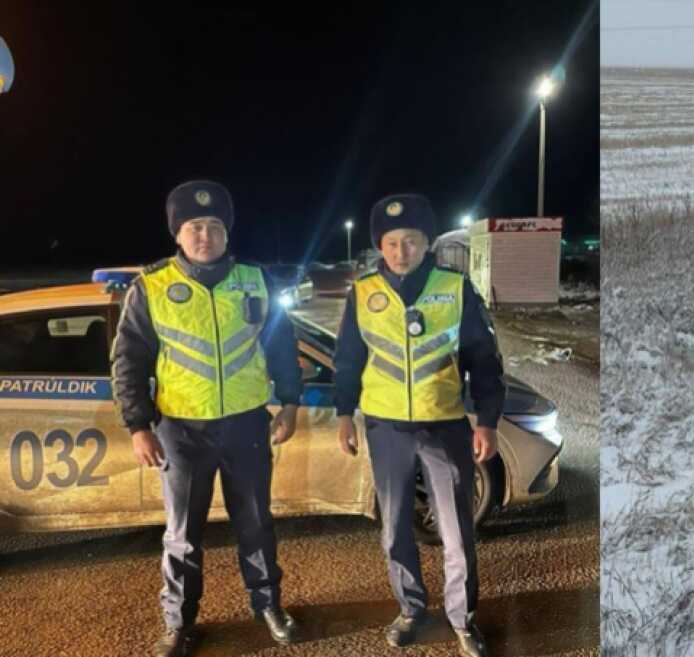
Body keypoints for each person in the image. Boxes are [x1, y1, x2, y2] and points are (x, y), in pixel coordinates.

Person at [110, 179, 303, 657]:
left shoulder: (255, 279)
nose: (205, 236)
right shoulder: (150, 287)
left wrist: (291, 402)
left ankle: (268, 606)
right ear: (178, 234)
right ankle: (179, 623)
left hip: (246, 424)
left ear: (226, 232)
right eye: (194, 226)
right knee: (182, 535)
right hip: (181, 430)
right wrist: (138, 426)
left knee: (256, 523)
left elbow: (280, 346)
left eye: (214, 226)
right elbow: (129, 360)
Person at [333, 193, 505, 657]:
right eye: (391, 242)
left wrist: (486, 421)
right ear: (380, 246)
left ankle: (462, 618)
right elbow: (348, 359)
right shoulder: (364, 293)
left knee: (456, 531)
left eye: (410, 240)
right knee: (394, 530)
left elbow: (484, 361)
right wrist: (343, 414)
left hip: (445, 427)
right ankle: (411, 610)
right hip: (385, 430)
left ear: (427, 243)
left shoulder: (455, 288)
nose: (400, 250)